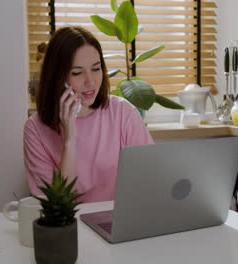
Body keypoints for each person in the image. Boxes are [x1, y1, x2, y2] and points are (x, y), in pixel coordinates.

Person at [24, 26, 153, 203]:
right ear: (57, 78)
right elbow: (56, 207)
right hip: (68, 227)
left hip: (117, 224)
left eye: (96, 68)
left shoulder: (124, 113)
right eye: (77, 73)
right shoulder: (35, 129)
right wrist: (70, 141)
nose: (91, 81)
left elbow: (151, 183)